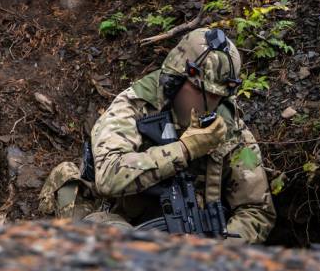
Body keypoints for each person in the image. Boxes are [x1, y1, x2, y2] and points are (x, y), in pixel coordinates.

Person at [39, 28, 276, 243]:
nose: (208, 104)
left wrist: (221, 251)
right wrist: (184, 150)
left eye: (217, 96)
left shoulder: (229, 128)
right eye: (199, 90)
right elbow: (108, 175)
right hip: (121, 220)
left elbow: (256, 210)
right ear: (175, 79)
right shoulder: (135, 107)